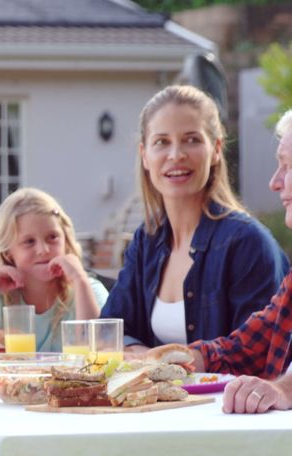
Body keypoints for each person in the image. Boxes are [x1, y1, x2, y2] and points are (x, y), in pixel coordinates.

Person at [100, 85, 288, 351]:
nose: (176, 155)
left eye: (192, 139)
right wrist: (149, 360)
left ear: (216, 150)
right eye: (162, 142)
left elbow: (258, 354)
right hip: (160, 393)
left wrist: (159, 364)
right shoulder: (147, 240)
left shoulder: (247, 243)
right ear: (145, 155)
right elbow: (110, 329)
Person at [158, 107, 292, 416]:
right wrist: (169, 359)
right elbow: (247, 347)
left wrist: (282, 389)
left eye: (287, 166)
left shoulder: (246, 240)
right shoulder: (148, 237)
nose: (275, 182)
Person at [0, 187, 108, 352]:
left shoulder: (89, 290)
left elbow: (98, 349)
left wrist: (81, 281)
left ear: (66, 240)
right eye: (29, 241)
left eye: (53, 237)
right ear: (8, 252)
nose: (44, 250)